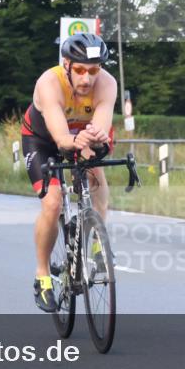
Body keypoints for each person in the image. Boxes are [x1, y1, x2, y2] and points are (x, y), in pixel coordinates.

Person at [21, 33, 116, 312]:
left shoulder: (107, 84)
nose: (87, 78)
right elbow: (62, 139)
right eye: (80, 70)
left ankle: (98, 244)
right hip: (44, 139)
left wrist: (98, 137)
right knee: (52, 202)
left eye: (94, 70)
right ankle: (42, 276)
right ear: (66, 64)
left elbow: (100, 128)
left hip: (79, 136)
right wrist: (76, 142)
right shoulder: (49, 83)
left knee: (96, 173)